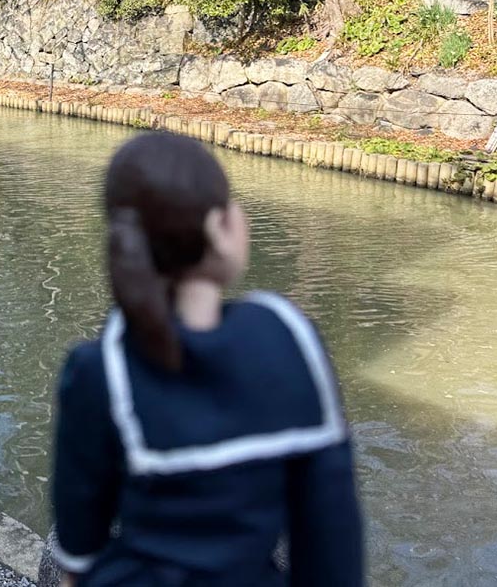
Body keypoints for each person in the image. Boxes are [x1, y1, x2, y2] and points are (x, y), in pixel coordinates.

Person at [50, 133, 362, 586]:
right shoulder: (290, 344)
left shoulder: (99, 369)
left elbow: (78, 548)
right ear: (218, 229)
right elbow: (332, 547)